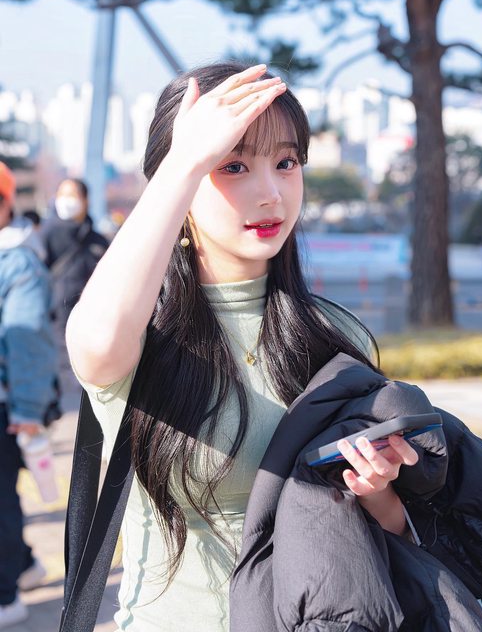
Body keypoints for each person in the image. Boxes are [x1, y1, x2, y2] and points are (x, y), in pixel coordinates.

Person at [66, 63, 421, 631]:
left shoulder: (335, 334)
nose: (271, 192)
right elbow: (97, 337)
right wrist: (184, 161)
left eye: (286, 162)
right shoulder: (142, 337)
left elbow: (394, 541)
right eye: (232, 165)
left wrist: (376, 490)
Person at [0, 162, 57, 629]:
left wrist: (27, 410)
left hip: (6, 404)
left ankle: (5, 596)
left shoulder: (18, 262)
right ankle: (22, 566)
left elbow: (30, 342)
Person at [40, 178, 109, 386]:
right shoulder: (46, 234)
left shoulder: (97, 240)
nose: (65, 201)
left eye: (71, 195)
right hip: (54, 319)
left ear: (85, 200)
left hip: (90, 320)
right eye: (61, 195)